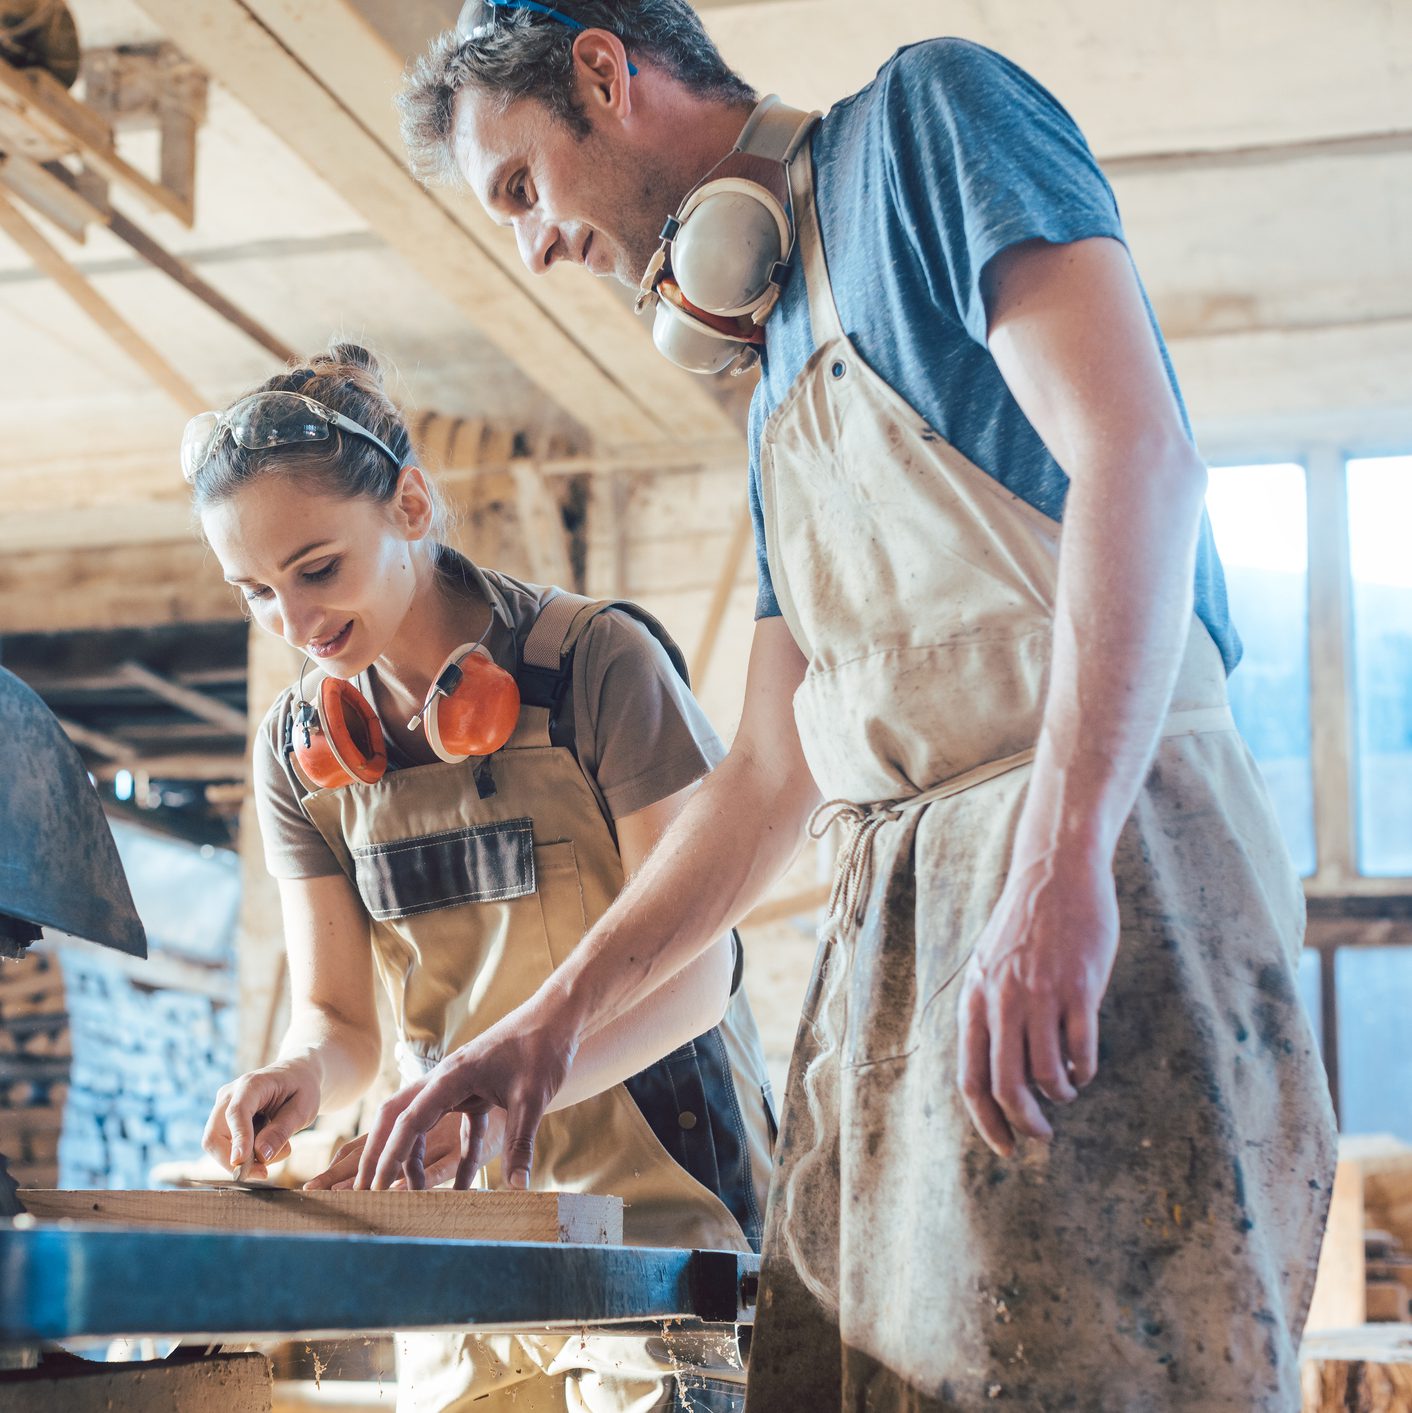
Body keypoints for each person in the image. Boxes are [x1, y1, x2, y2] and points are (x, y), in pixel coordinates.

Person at [363, 4, 1338, 1409]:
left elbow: (1143, 457)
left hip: (1097, 845)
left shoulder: (931, 125)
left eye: (523, 187)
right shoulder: (770, 374)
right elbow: (767, 774)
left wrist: (1061, 861)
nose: (536, 246)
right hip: (899, 919)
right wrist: (542, 1026)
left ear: (599, 69)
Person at [189, 342, 775, 1413]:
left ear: (409, 503)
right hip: (461, 1248)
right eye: (255, 593)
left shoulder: (594, 667)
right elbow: (341, 1019)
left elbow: (700, 975)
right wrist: (305, 1079)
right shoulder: (294, 754)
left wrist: (491, 1109)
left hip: (653, 1227)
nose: (295, 624)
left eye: (317, 569)